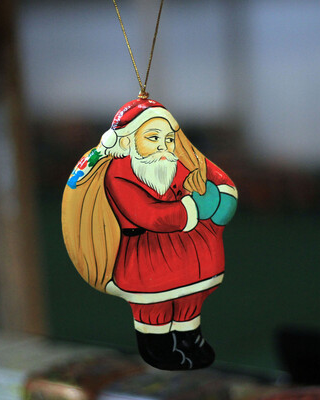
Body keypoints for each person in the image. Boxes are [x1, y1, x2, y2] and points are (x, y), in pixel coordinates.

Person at [62, 98, 237, 370]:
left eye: (169, 139)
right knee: (155, 306)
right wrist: (191, 208)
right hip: (147, 253)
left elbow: (211, 175)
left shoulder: (174, 161)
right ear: (127, 141)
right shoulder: (119, 173)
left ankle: (190, 338)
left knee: (190, 300)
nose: (163, 146)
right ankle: (158, 347)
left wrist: (224, 196)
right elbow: (148, 215)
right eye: (153, 138)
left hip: (187, 251)